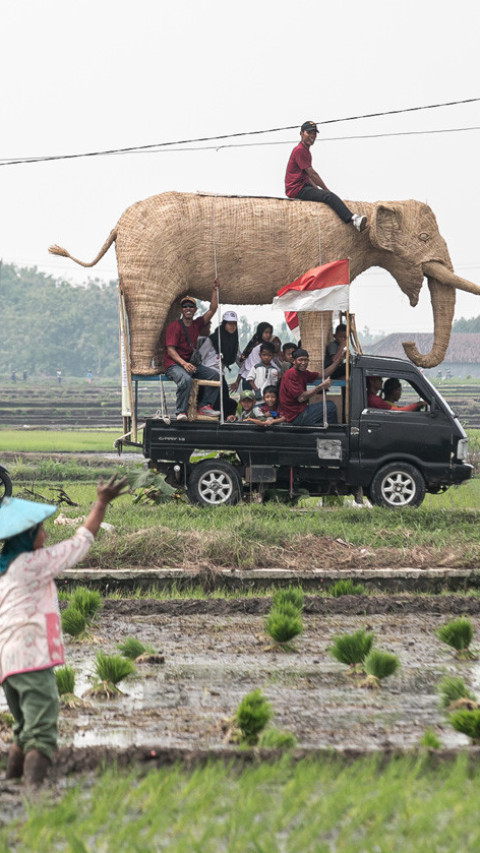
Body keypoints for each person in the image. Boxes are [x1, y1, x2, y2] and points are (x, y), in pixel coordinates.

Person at [0, 475, 127, 788]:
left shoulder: (5, 570)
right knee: (42, 732)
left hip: (8, 664)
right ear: (27, 538)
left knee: (25, 728)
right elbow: (78, 543)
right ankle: (34, 794)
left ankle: (11, 787)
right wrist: (101, 503)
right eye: (40, 530)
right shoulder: (30, 564)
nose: (45, 534)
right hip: (32, 658)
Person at [285, 121, 367, 232]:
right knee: (329, 196)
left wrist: (317, 190)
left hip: (303, 184)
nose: (312, 136)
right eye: (309, 132)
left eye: (314, 133)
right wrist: (326, 191)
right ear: (301, 134)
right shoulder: (300, 150)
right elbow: (312, 174)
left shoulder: (305, 151)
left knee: (324, 195)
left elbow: (307, 176)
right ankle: (353, 219)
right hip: (297, 189)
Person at [164, 286, 221, 420]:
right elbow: (170, 351)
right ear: (181, 310)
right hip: (174, 364)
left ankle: (204, 406)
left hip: (189, 363)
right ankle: (180, 412)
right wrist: (184, 364)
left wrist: (214, 290)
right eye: (185, 306)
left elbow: (212, 309)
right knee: (186, 379)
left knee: (214, 375)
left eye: (191, 306)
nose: (188, 308)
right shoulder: (174, 327)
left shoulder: (197, 324)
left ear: (195, 310)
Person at [278, 347, 344, 426]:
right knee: (330, 406)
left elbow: (322, 375)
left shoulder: (303, 373)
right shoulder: (291, 374)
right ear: (294, 361)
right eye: (300, 360)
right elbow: (301, 398)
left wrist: (338, 361)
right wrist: (321, 386)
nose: (303, 363)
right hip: (295, 416)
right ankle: (332, 432)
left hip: (299, 411)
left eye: (305, 360)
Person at [198, 310, 239, 418]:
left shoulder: (233, 342)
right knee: (216, 401)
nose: (232, 326)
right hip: (208, 374)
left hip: (221, 373)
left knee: (225, 401)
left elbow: (239, 360)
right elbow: (199, 357)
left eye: (234, 324)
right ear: (224, 324)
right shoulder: (212, 339)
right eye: (229, 323)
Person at [233, 322, 274, 391]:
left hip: (249, 378)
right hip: (255, 379)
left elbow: (245, 365)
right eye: (266, 332)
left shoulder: (253, 346)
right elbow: (246, 365)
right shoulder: (259, 347)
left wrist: (237, 381)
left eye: (270, 333)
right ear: (261, 332)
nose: (268, 335)